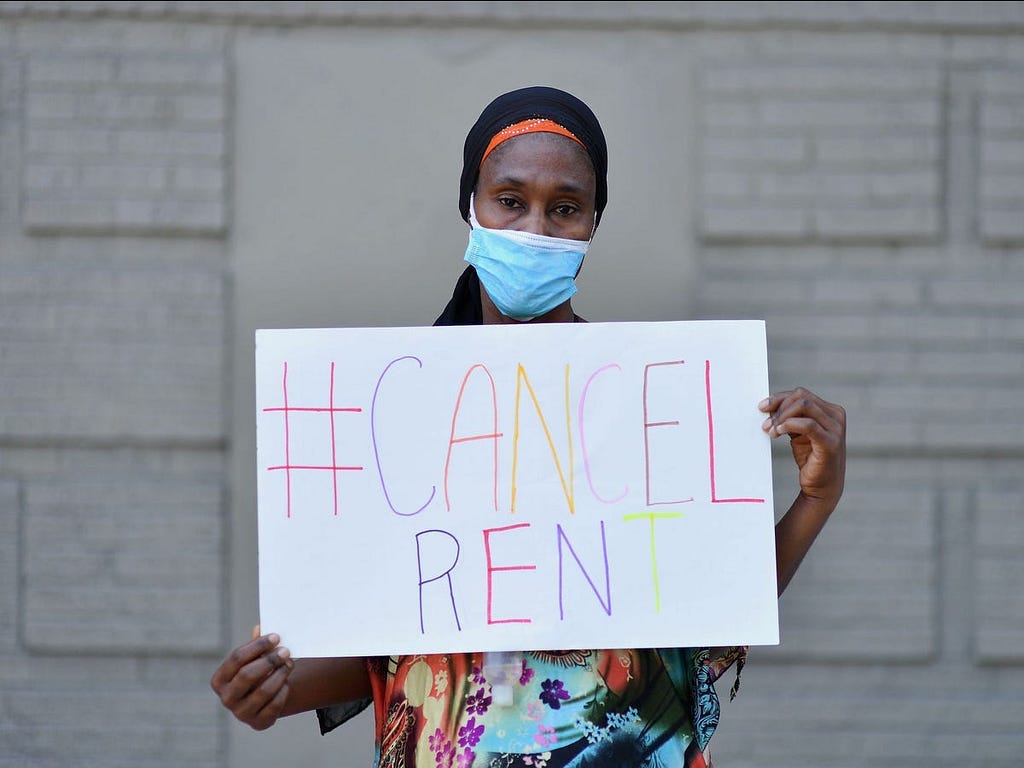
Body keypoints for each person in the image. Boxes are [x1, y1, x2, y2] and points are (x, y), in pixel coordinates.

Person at [211, 86, 847, 767]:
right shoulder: (398, 412)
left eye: (565, 208)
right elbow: (392, 640)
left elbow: (713, 597)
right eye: (510, 201)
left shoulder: (650, 406)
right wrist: (272, 691)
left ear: (593, 225)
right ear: (471, 207)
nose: (535, 231)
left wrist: (816, 498)